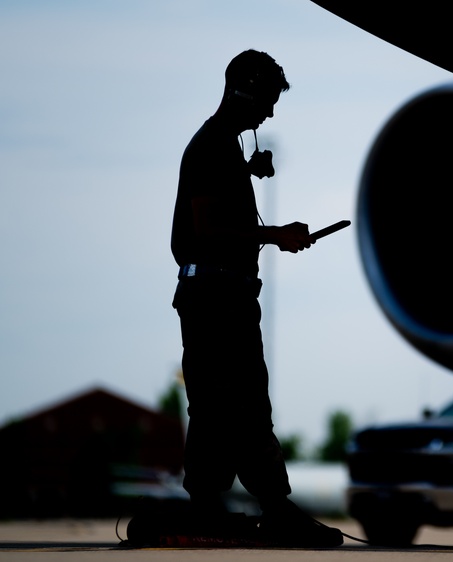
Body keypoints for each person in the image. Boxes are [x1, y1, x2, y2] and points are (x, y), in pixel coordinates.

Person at [169, 49, 343, 547]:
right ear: (243, 89)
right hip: (216, 295)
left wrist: (244, 174)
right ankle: (263, 506)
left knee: (228, 402)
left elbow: (216, 218)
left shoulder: (223, 148)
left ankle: (220, 505)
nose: (269, 113)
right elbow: (206, 229)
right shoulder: (210, 147)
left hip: (225, 295)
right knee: (229, 401)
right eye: (266, 100)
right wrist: (275, 234)